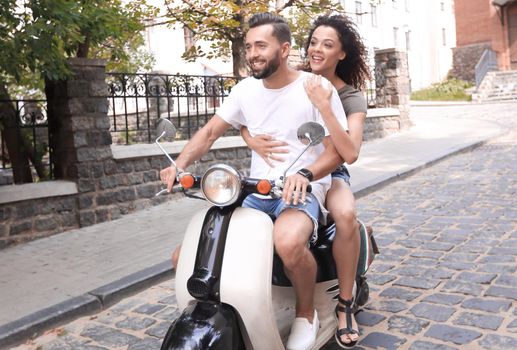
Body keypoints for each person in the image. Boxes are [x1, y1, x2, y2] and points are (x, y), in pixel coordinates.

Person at [161, 12, 348, 350]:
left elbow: (335, 152)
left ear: (284, 49)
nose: (252, 53)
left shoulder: (314, 88)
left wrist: (304, 175)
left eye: (261, 45)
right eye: (249, 47)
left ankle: (306, 314)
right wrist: (180, 163)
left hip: (300, 189)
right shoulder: (245, 90)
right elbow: (210, 132)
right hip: (256, 189)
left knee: (289, 242)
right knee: (187, 253)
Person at [240, 15, 370, 348]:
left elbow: (349, 151)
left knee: (344, 215)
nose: (316, 49)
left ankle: (343, 305)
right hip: (293, 173)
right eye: (313, 41)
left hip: (331, 168)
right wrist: (250, 138)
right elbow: (250, 113)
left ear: (341, 53)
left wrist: (325, 107)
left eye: (327, 45)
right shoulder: (293, 79)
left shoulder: (349, 95)